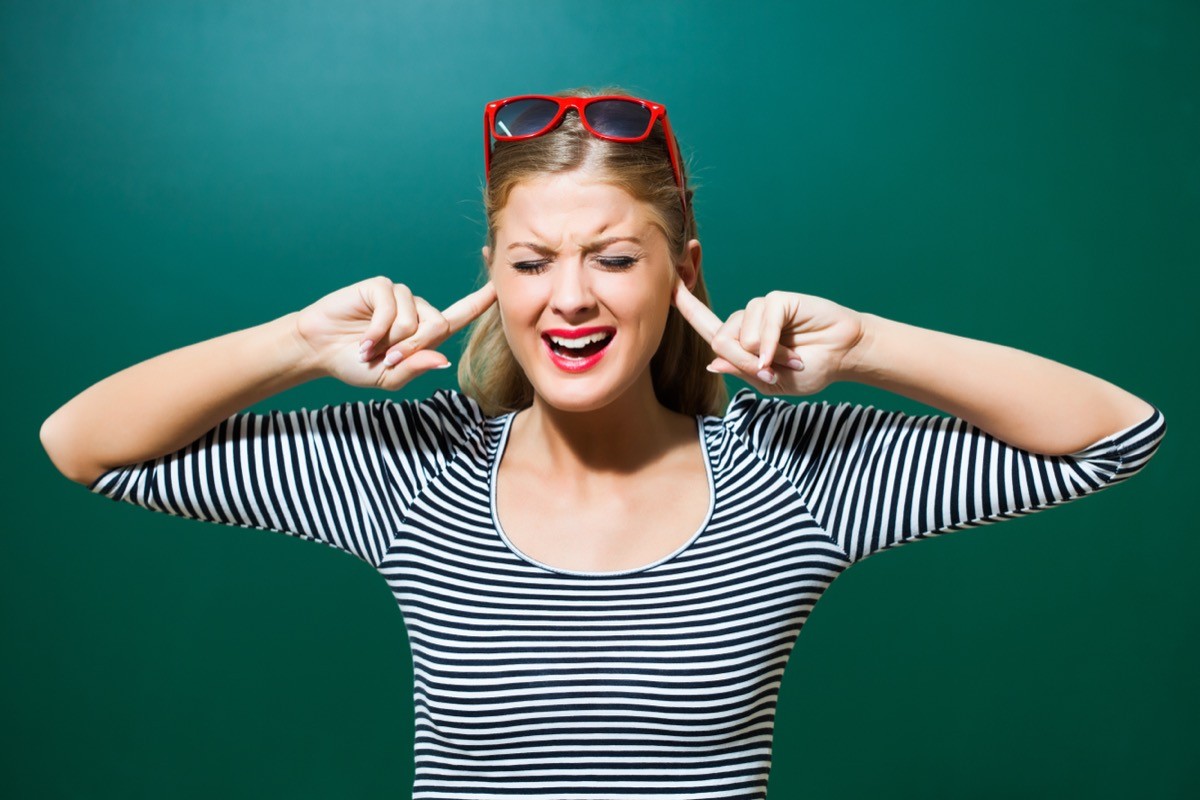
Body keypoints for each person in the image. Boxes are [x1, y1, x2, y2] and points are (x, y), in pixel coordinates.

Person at [40, 86, 1166, 799]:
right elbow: (82, 442)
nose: (568, 298)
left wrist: (868, 343)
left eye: (615, 258)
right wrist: (293, 342)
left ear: (679, 270)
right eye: (530, 262)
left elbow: (1115, 434)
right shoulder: (408, 470)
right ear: (490, 275)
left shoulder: (790, 474)